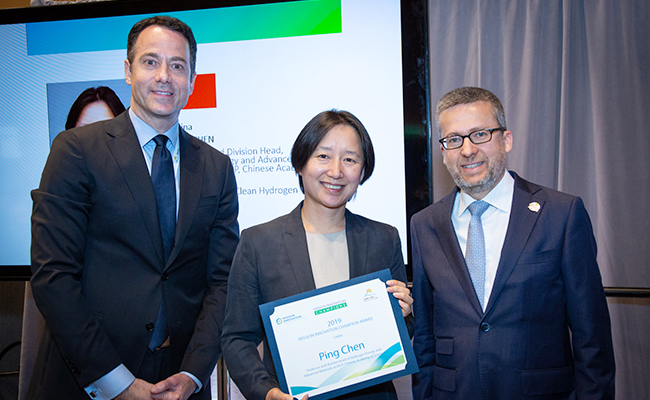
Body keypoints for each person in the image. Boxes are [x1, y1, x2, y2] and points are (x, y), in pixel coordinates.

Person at [29, 15, 239, 400]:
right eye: (150, 61)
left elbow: (222, 282)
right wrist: (117, 383)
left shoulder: (216, 167)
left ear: (192, 80)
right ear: (128, 71)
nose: (164, 76)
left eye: (177, 66)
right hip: (91, 377)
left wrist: (193, 374)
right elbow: (53, 275)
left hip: (180, 380)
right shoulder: (75, 150)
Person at [410, 87, 615, 399]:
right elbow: (425, 339)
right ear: (443, 151)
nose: (467, 150)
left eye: (480, 134)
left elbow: (592, 337)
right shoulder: (424, 224)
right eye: (454, 140)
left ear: (506, 140)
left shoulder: (561, 213)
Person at [221, 110, 414, 400]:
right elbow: (238, 338)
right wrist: (267, 392)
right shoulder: (258, 243)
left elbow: (400, 335)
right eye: (323, 156)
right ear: (300, 163)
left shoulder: (383, 239)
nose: (336, 171)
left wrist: (404, 315)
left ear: (362, 172)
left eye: (350, 160)